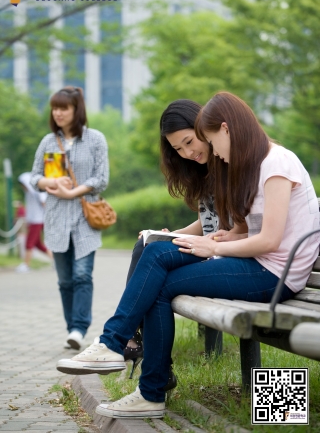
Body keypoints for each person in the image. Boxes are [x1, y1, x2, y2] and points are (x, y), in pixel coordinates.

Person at [56, 91, 320, 419]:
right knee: (155, 259)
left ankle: (123, 358)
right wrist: (228, 235)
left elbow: (270, 240)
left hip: (275, 276)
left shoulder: (277, 162)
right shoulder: (255, 163)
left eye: (208, 140)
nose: (213, 153)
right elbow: (249, 229)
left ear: (225, 129)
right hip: (260, 265)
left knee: (159, 275)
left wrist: (216, 246)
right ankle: (130, 368)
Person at [123, 99, 219, 385]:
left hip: (232, 256)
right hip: (218, 248)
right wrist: (173, 234)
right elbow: (208, 222)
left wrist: (184, 241)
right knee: (147, 244)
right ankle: (139, 354)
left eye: (190, 142)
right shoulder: (205, 167)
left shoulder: (241, 162)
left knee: (155, 275)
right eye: (178, 149)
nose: (187, 153)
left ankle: (125, 340)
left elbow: (238, 230)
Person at [30, 86, 109, 350]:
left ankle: (79, 327)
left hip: (85, 219)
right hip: (56, 220)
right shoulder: (48, 142)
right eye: (55, 108)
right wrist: (49, 181)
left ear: (77, 110)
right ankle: (71, 328)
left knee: (82, 275)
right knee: (64, 280)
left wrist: (73, 191)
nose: (58, 113)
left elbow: (101, 178)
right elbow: (33, 177)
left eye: (64, 108)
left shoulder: (96, 139)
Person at [16, 172, 52, 273]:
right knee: (38, 244)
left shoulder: (38, 192)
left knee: (29, 242)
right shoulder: (28, 193)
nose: (22, 187)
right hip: (32, 221)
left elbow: (44, 203)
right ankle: (56, 261)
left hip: (38, 220)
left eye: (23, 184)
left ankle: (26, 265)